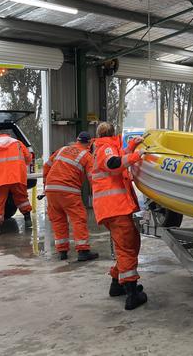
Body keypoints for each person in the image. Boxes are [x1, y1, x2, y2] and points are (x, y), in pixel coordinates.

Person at [91, 122, 147, 310]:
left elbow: (116, 157)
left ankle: (117, 284)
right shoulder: (105, 147)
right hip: (115, 208)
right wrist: (136, 156)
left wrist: (130, 147)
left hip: (112, 209)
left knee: (129, 244)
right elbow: (113, 163)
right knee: (127, 248)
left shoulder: (105, 146)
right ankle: (132, 294)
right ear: (113, 133)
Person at [43, 132, 98, 261]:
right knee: (78, 218)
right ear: (90, 144)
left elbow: (46, 167)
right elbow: (92, 178)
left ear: (76, 140)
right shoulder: (87, 156)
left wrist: (46, 184)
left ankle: (62, 251)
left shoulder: (63, 149)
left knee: (58, 219)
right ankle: (83, 250)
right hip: (68, 190)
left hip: (51, 189)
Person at [0, 132, 32, 235]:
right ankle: (27, 218)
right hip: (17, 176)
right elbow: (28, 159)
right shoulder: (17, 143)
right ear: (8, 136)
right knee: (22, 198)